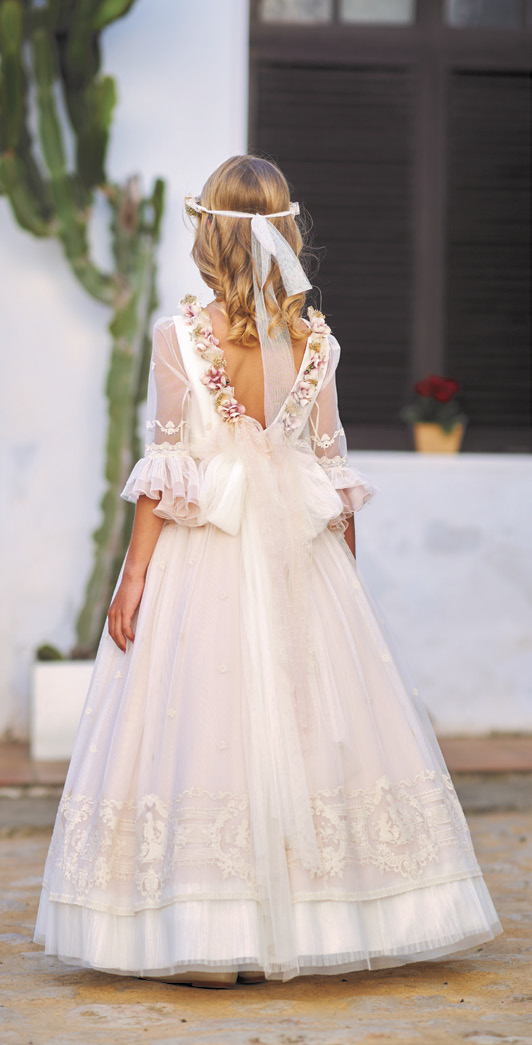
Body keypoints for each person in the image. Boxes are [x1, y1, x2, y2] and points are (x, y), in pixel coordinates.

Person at [34, 155, 502, 988]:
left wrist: (134, 577)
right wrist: (343, 584)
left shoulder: (180, 335)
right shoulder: (316, 341)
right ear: (285, 233)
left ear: (208, 232)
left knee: (198, 728)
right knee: (299, 729)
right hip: (297, 556)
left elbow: (168, 470)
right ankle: (319, 914)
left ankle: (203, 929)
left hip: (200, 556)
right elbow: (331, 472)